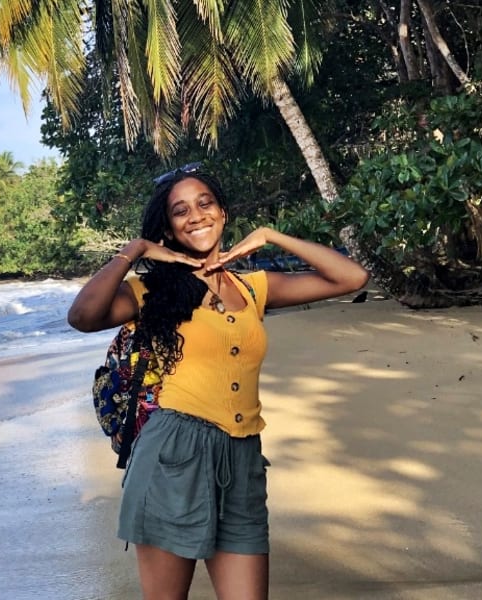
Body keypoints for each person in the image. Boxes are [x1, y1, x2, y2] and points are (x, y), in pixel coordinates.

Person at [67, 163, 369, 600]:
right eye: (180, 211)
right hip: (173, 455)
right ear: (168, 229)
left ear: (223, 213)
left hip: (243, 458)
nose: (196, 215)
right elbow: (82, 316)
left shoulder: (252, 288)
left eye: (205, 203)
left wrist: (270, 235)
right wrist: (134, 250)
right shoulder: (148, 293)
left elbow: (352, 278)